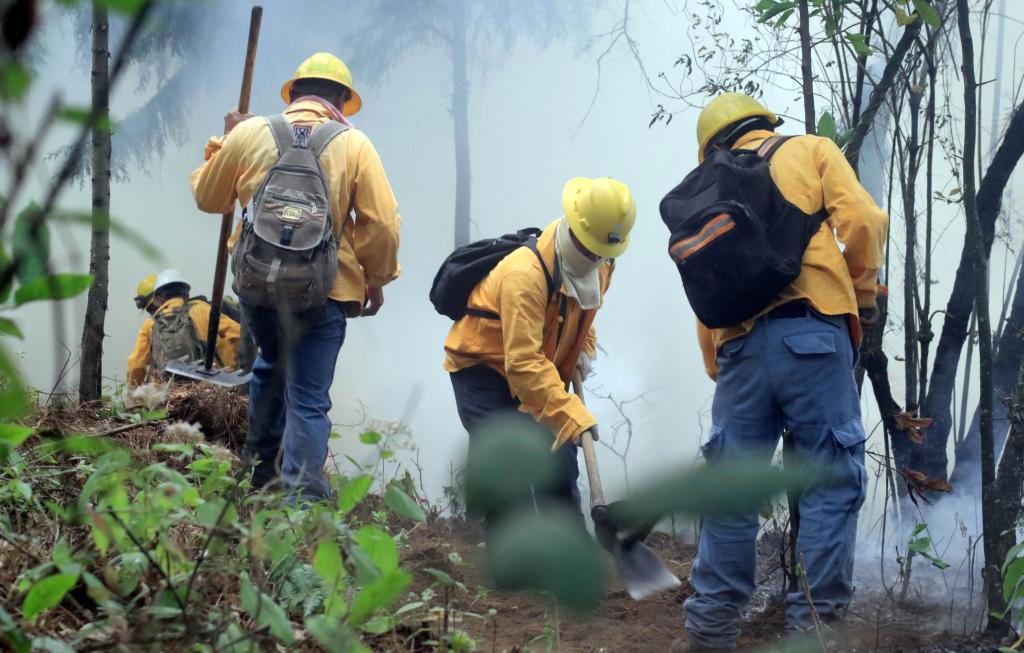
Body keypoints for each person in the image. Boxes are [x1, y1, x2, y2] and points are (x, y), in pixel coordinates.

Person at [672, 93, 888, 652]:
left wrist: (727, 366)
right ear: (762, 123)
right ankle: (813, 634)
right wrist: (862, 295)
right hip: (814, 338)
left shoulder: (708, 191)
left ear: (710, 148)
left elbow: (707, 297)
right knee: (829, 482)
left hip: (739, 351)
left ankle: (711, 632)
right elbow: (863, 221)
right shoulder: (809, 149)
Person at [189, 52, 401, 500]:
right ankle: (302, 504)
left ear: (293, 92)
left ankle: (259, 473)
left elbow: (210, 199)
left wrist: (223, 141)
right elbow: (381, 224)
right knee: (308, 394)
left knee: (270, 363)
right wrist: (376, 278)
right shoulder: (354, 143)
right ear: (342, 98)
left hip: (257, 287)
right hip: (324, 290)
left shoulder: (250, 133)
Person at [444, 177, 635, 528]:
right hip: (484, 368)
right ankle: (509, 569)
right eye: (591, 249)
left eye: (603, 252)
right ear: (575, 229)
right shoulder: (525, 274)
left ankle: (570, 557)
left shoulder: (604, 265)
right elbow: (523, 364)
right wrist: (574, 418)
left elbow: (582, 312)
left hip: (538, 366)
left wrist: (583, 348)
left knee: (559, 461)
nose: (596, 258)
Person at [126, 269, 242, 386]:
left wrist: (134, 397)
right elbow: (241, 336)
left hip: (171, 397)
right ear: (186, 294)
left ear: (158, 298)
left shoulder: (150, 324)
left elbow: (136, 365)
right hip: (214, 392)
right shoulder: (202, 310)